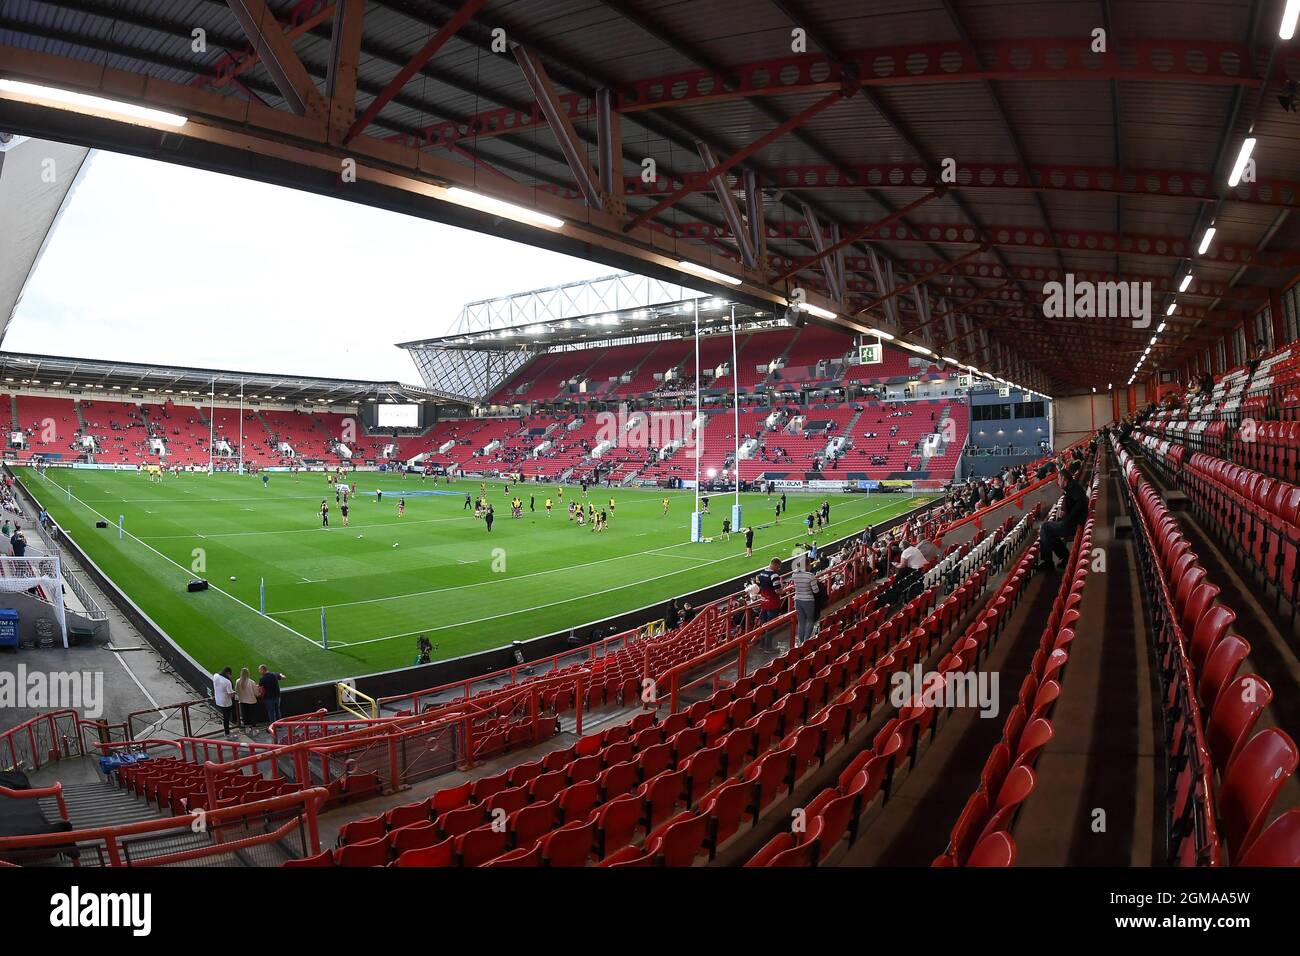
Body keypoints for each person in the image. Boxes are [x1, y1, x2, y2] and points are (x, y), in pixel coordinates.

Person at [1039, 461, 1088, 570]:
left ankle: (1048, 561)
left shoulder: (1072, 487)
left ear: (1064, 479)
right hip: (1074, 522)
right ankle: (1064, 556)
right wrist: (1066, 513)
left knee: (1045, 527)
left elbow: (1081, 502)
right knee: (1049, 532)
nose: (1058, 481)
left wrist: (1068, 518)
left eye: (1059, 479)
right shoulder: (1071, 487)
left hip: (1074, 524)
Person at [791, 559, 820, 645]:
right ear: (807, 566)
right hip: (808, 600)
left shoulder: (794, 574)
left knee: (801, 622)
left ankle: (801, 642)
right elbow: (816, 591)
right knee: (810, 620)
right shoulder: (810, 575)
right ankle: (806, 642)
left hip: (797, 600)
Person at [756, 557, 783, 623]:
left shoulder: (761, 573)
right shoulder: (774, 575)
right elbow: (778, 591)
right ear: (775, 565)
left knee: (764, 623)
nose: (778, 569)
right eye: (778, 567)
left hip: (764, 602)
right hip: (773, 603)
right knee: (771, 625)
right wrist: (782, 586)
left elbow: (757, 584)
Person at [212, 667, 235, 736]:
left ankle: (227, 731)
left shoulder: (216, 676)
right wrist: (235, 692)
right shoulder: (227, 682)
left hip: (218, 700)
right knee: (226, 718)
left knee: (225, 717)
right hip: (226, 702)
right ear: (228, 673)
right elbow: (231, 694)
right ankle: (227, 733)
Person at [235, 667, 259, 731]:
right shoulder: (251, 682)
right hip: (251, 701)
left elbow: (236, 691)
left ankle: (247, 729)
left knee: (245, 715)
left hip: (242, 701)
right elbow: (256, 693)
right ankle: (253, 729)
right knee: (252, 715)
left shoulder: (238, 681)